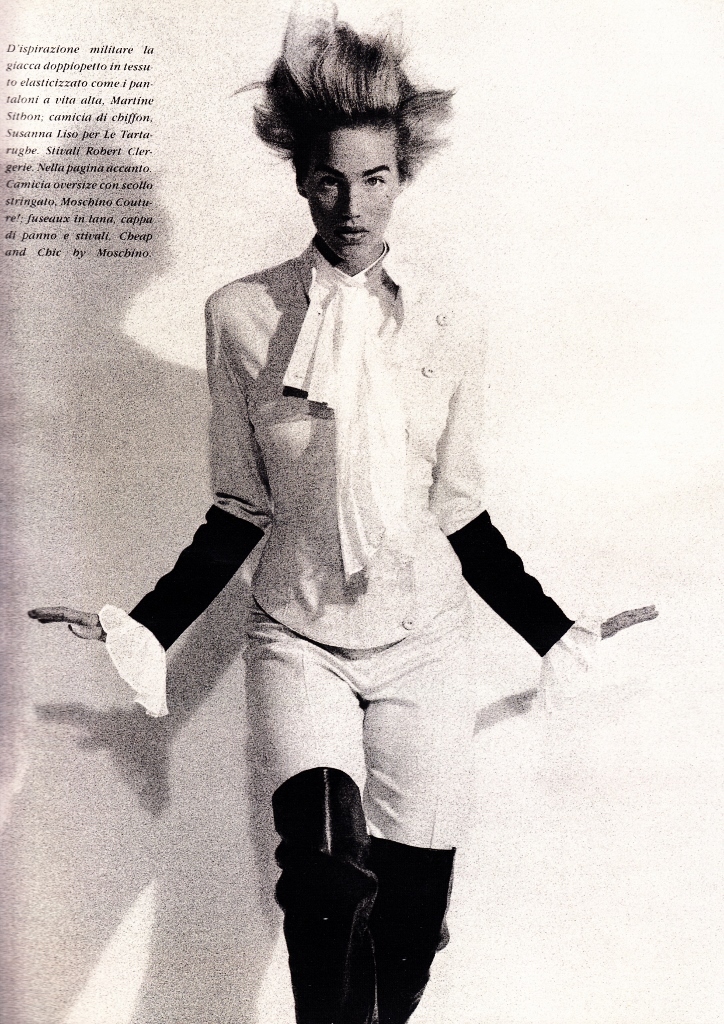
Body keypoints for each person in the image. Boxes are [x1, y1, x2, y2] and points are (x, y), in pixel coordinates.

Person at [29, 9, 657, 1023]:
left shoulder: (453, 317)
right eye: (330, 180)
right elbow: (240, 506)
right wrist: (140, 624)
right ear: (300, 181)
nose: (353, 204)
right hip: (299, 638)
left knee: (409, 925)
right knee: (322, 871)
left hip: (424, 642)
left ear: (402, 178)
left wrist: (557, 630)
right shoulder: (240, 315)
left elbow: (459, 510)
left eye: (375, 178)